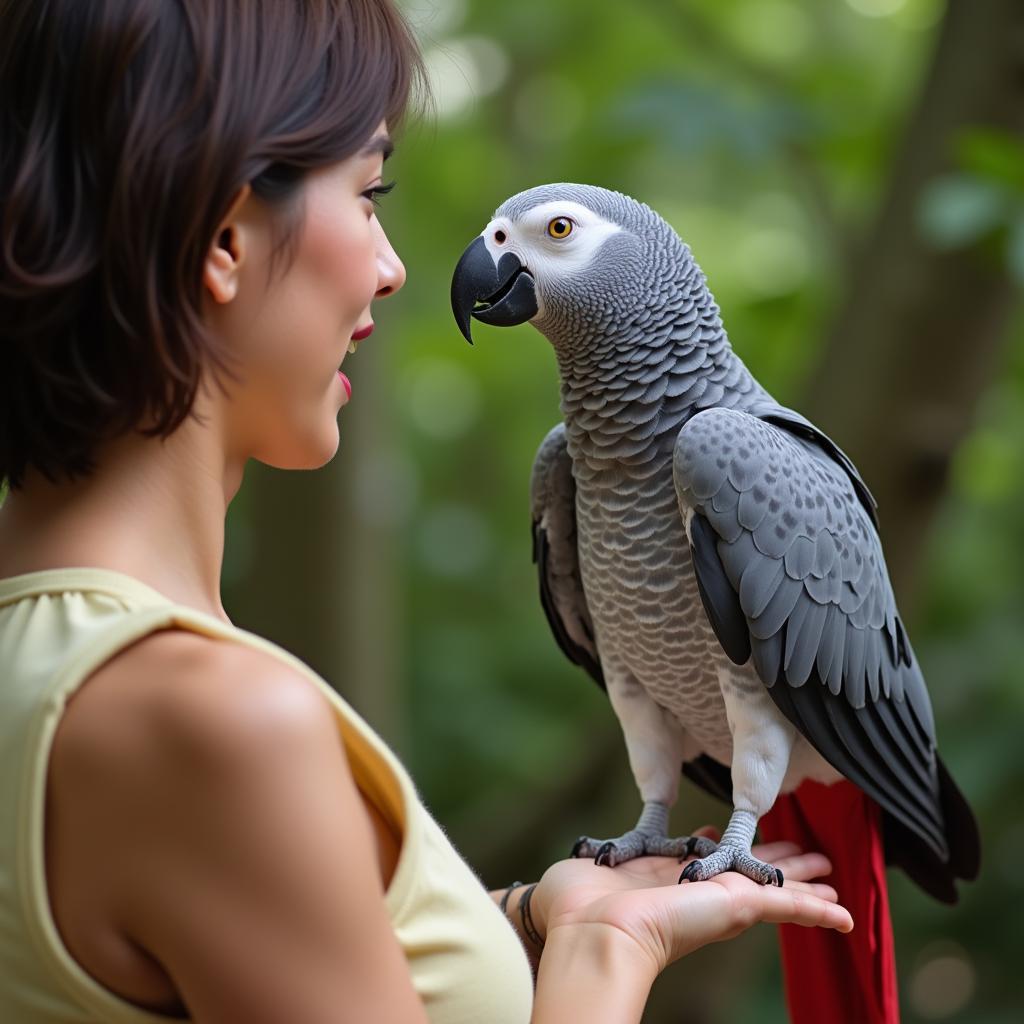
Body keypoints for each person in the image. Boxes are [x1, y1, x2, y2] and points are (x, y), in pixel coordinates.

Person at [0, 1, 853, 1021]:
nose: (397, 266)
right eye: (369, 193)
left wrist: (528, 917)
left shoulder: (60, 665)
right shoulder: (216, 723)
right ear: (223, 238)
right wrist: (605, 958)